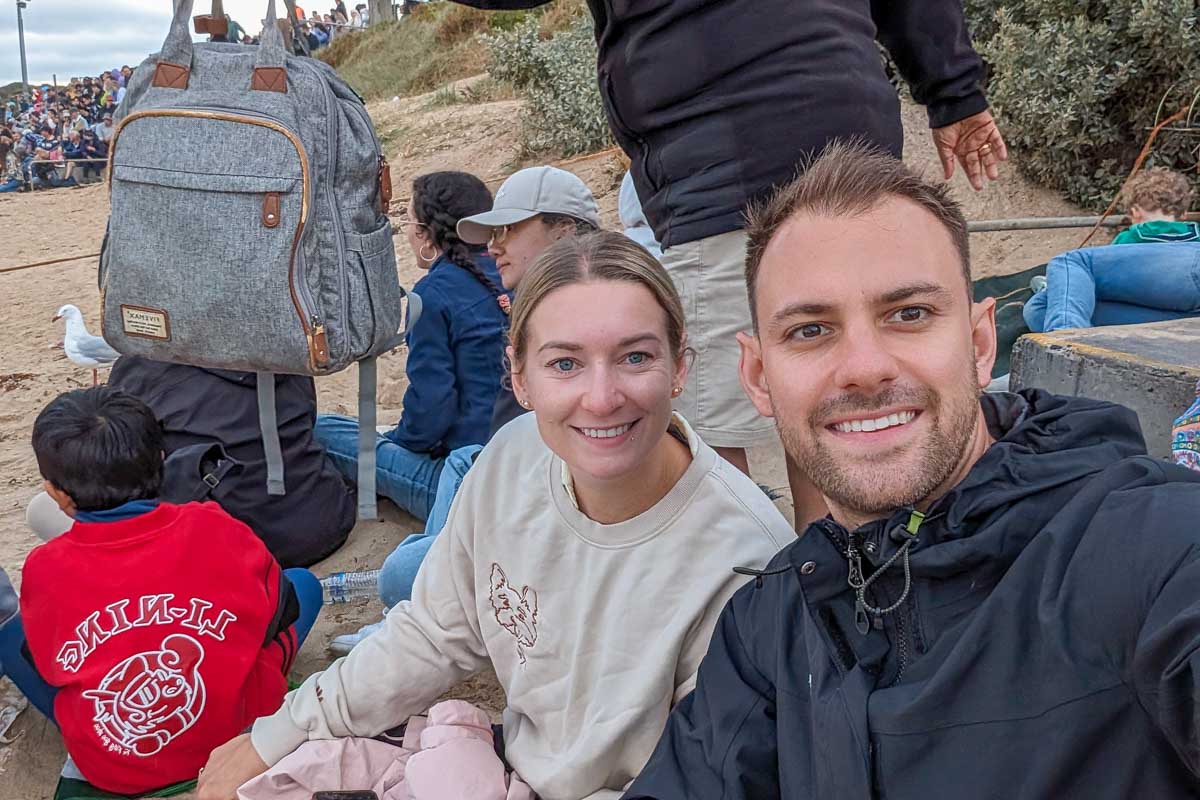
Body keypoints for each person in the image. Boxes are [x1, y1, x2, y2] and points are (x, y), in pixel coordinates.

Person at [623, 140, 1200, 798]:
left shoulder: (1153, 551)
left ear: (981, 344)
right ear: (757, 375)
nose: (865, 367)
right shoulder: (766, 631)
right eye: (811, 330)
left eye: (909, 314)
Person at [197, 231, 793, 800]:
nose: (603, 396)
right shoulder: (514, 456)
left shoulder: (746, 561)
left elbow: (707, 775)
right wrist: (272, 736)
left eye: (635, 357)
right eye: (565, 363)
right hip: (514, 768)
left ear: (680, 365)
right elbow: (433, 634)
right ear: (519, 375)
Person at [452, 0, 1006, 530]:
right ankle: (848, 576)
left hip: (722, 162)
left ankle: (770, 603)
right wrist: (954, 91)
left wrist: (954, 91)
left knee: (718, 453)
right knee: (834, 396)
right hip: (849, 130)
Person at [329, 166, 602, 653]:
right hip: (499, 466)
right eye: (492, 232)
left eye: (510, 230)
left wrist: (407, 443)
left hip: (482, 469)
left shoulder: (446, 295)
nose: (496, 245)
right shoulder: (524, 296)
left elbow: (433, 410)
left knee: (332, 435)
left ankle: (419, 599)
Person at [4, 387, 322, 795]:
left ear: (58, 497)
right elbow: (277, 612)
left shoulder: (45, 566)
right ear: (162, 462)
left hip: (112, 766)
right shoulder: (215, 525)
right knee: (305, 585)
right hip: (235, 731)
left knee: (12, 637)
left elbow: (51, 664)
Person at [315, 172, 508, 525]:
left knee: (323, 429)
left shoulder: (431, 296)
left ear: (427, 235)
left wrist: (400, 442)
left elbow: (431, 411)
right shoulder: (511, 274)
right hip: (519, 465)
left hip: (461, 485)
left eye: (410, 221)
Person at [97, 356, 358, 569]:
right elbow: (307, 418)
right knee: (318, 429)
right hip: (323, 524)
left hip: (231, 549)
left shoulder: (142, 361)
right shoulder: (279, 347)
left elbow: (126, 453)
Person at [1023, 168, 1200, 332]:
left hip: (1166, 289)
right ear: (1183, 214)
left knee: (1068, 267)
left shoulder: (1130, 237)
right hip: (1184, 314)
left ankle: (1067, 338)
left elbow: (1107, 283)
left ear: (1135, 212)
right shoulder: (1195, 233)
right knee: (1038, 307)